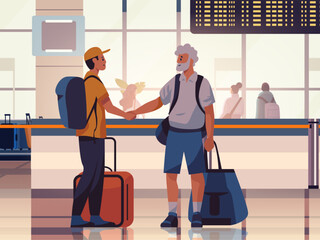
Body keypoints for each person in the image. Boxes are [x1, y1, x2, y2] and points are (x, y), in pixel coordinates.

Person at [130, 44, 215, 228]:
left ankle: (197, 213)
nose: (178, 61)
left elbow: (209, 112)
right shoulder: (174, 82)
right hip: (174, 134)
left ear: (192, 60)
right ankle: (172, 214)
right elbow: (158, 102)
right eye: (177, 58)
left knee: (197, 175)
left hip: (194, 135)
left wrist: (209, 137)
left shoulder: (202, 83)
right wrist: (137, 111)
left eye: (182, 57)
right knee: (171, 174)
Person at [71, 47, 135, 227]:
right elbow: (108, 106)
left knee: (97, 176)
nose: (104, 61)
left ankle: (95, 216)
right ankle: (76, 216)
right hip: (90, 135)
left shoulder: (90, 80)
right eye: (101, 58)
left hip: (94, 135)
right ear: (93, 61)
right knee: (90, 175)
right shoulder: (93, 82)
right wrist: (126, 115)